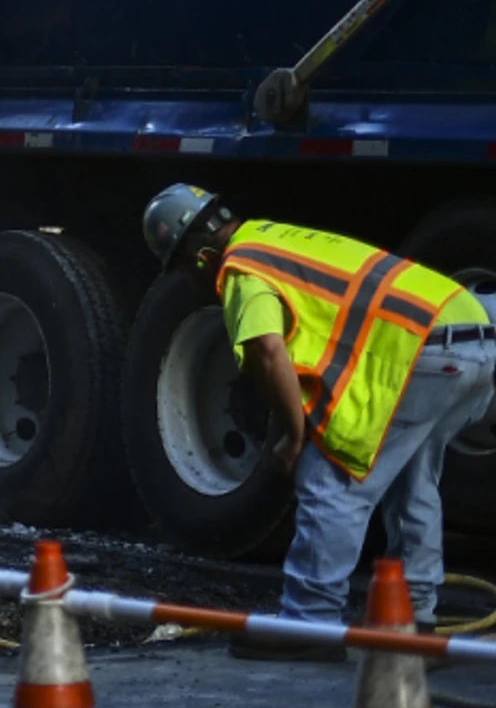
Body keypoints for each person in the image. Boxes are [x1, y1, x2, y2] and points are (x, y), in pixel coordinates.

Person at [144, 184, 496, 659]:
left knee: (332, 478)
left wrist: (293, 436)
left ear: (202, 256)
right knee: (411, 485)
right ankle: (413, 621)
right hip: (474, 335)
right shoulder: (274, 237)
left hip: (423, 353)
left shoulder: (242, 270)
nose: (191, 279)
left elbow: (269, 352)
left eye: (184, 268)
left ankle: (311, 624)